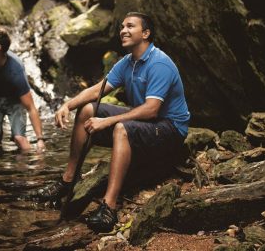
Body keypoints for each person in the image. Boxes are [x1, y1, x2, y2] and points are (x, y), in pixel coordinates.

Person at [34, 12, 190, 232]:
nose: (123, 31)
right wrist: (67, 105)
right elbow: (97, 90)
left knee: (120, 128)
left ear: (146, 33)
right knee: (88, 109)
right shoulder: (127, 63)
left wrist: (106, 122)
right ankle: (67, 180)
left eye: (130, 26)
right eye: (122, 26)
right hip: (146, 124)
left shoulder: (159, 63)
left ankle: (109, 206)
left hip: (170, 130)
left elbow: (151, 110)